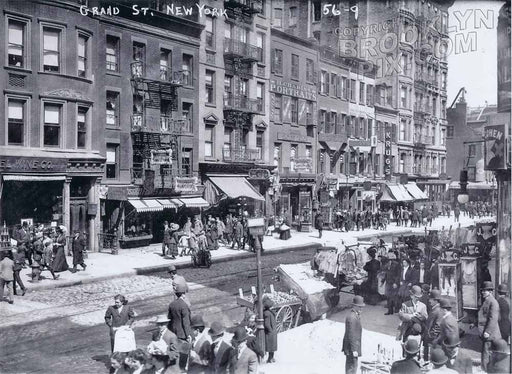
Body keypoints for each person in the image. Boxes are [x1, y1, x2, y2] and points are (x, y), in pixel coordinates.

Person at [167, 282, 192, 370]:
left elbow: (169, 318)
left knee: (174, 354)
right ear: (183, 294)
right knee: (183, 355)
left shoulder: (171, 304)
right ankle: (181, 370)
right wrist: (189, 335)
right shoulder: (184, 306)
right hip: (183, 335)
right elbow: (186, 323)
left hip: (173, 333)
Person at [478, 281, 502, 371]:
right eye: (483, 290)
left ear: (491, 292)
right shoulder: (487, 301)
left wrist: (487, 331)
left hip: (491, 333)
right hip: (487, 332)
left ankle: (485, 370)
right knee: (487, 352)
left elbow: (493, 318)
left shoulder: (493, 302)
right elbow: (483, 315)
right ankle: (487, 369)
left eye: (486, 291)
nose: (483, 292)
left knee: (486, 353)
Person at [343, 295, 365, 374]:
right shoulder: (352, 317)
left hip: (352, 347)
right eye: (359, 307)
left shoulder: (355, 315)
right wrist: (354, 350)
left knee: (353, 366)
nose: (361, 309)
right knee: (351, 367)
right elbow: (351, 335)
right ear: (354, 306)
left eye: (362, 307)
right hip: (351, 348)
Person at [424, 289, 443, 360]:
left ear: (435, 300)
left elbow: (430, 326)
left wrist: (430, 337)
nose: (429, 301)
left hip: (432, 339)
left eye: (431, 299)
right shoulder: (440, 309)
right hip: (438, 338)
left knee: (430, 357)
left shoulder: (434, 311)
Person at [263, 297, 277, 363]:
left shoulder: (268, 312)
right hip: (270, 333)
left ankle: (271, 358)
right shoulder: (267, 313)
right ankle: (270, 359)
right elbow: (266, 324)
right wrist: (270, 331)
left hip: (272, 332)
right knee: (271, 347)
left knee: (272, 347)